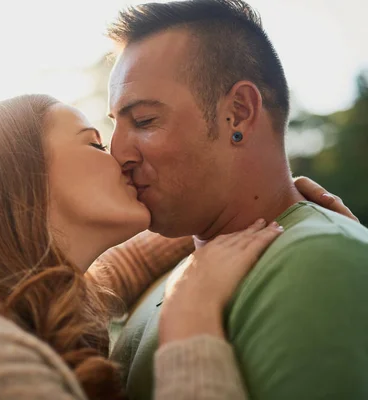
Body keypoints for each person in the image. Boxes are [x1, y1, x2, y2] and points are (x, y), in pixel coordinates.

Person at [0, 94, 343, 400]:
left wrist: (260, 203)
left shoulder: (13, 304)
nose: (123, 157)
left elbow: (112, 276)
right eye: (95, 144)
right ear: (22, 179)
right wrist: (190, 316)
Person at [105, 1, 368, 399]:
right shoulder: (173, 274)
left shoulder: (320, 260)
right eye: (116, 125)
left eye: (143, 121)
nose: (117, 153)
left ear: (238, 113)